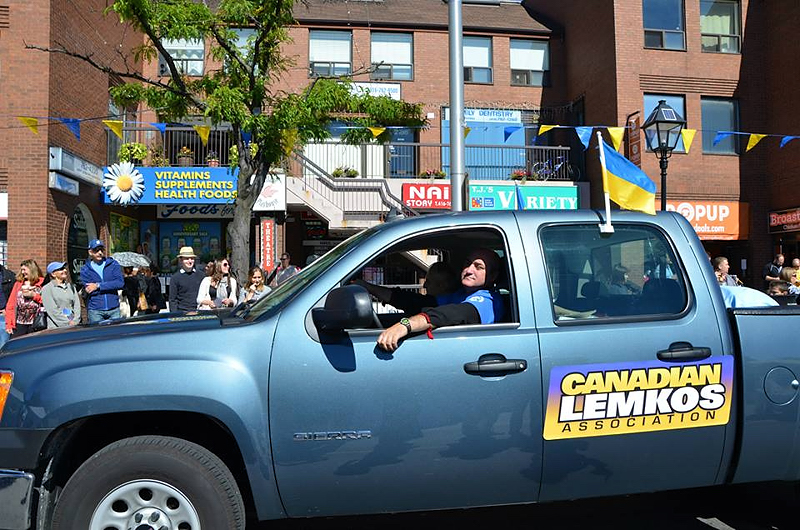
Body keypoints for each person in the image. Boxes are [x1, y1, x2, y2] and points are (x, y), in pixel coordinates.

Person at [360, 248, 505, 353]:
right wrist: (369, 287)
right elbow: (420, 302)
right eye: (467, 264)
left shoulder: (489, 300)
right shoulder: (460, 295)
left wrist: (405, 325)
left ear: (492, 276)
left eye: (479, 267)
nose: (469, 270)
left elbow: (452, 314)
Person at [80, 239, 124, 324]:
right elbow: (89, 289)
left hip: (114, 308)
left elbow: (120, 283)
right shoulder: (85, 269)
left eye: (101, 250)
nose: (100, 252)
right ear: (90, 252)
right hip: (95, 310)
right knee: (97, 332)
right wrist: (110, 285)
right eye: (96, 250)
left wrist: (98, 286)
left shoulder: (113, 264)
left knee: (116, 332)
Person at [5, 259, 45, 337]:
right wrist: (9, 324)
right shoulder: (18, 284)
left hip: (37, 323)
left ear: (32, 269)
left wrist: (34, 296)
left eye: (24, 270)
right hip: (19, 323)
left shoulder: (42, 283)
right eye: (21, 270)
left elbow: (47, 301)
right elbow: (11, 305)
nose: (23, 272)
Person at [41, 261, 82, 328]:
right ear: (53, 274)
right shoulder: (47, 289)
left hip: (74, 325)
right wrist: (67, 323)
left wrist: (76, 320)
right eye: (61, 269)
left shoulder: (70, 286)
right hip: (56, 327)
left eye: (64, 268)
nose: (65, 270)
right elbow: (52, 310)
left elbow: (77, 305)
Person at [169, 246, 204, 312]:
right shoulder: (175, 278)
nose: (190, 261)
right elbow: (172, 300)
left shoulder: (201, 275)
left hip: (199, 312)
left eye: (192, 258)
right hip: (182, 313)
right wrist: (175, 315)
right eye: (187, 259)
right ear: (180, 260)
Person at [0, 263, 16, 347]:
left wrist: (8, 310)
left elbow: (15, 296)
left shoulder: (9, 276)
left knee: (3, 345)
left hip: (3, 316)